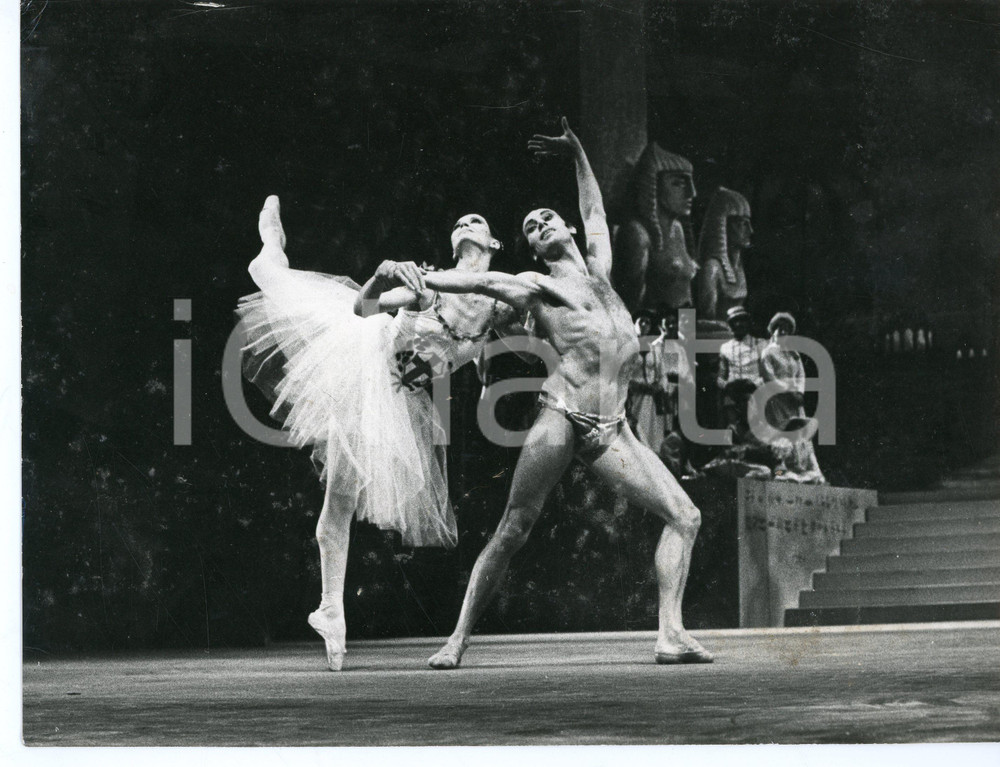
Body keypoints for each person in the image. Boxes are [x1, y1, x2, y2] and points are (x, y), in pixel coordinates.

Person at [399, 119, 711, 668]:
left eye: (546, 218)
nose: (539, 225)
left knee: (685, 517)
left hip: (613, 429)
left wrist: (578, 153)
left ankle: (670, 633)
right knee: (515, 526)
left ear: (564, 229)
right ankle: (456, 640)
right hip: (562, 415)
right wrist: (428, 277)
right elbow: (483, 283)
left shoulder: (602, 275)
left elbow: (593, 215)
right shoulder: (539, 286)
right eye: (530, 227)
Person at [236, 197, 522, 671]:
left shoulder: (498, 307)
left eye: (478, 219)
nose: (465, 222)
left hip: (399, 396)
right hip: (362, 362)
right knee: (268, 275)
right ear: (453, 244)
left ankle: (331, 610)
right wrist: (384, 274)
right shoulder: (427, 284)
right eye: (458, 220)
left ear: (494, 243)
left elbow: (533, 338)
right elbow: (362, 306)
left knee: (341, 497)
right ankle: (272, 244)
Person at [613, 143, 699, 313]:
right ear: (652, 186)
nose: (692, 192)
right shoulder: (637, 234)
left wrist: (689, 332)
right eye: (678, 183)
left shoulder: (677, 229)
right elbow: (631, 305)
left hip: (684, 328)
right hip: (655, 331)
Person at [761, 312, 826, 484]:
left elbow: (801, 375)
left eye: (787, 330)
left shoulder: (793, 354)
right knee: (780, 433)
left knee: (800, 433)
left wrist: (799, 392)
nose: (783, 332)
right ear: (773, 330)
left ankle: (809, 470)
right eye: (779, 328)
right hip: (777, 401)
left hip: (794, 402)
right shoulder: (768, 353)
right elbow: (769, 377)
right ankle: (781, 471)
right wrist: (787, 391)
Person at [696, 187, 753, 321]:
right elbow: (707, 319)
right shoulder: (712, 268)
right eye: (742, 224)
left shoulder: (738, 267)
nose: (750, 230)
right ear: (723, 225)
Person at [716, 305, 767, 441]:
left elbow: (766, 374)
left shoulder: (760, 344)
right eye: (735, 321)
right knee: (734, 435)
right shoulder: (725, 348)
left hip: (755, 395)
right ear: (731, 324)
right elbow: (720, 378)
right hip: (733, 398)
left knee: (756, 437)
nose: (738, 324)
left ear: (748, 322)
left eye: (742, 320)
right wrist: (727, 385)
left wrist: (753, 384)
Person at [627, 309, 668, 456]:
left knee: (652, 435)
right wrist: (633, 385)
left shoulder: (654, 349)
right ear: (634, 324)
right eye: (641, 321)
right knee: (636, 433)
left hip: (650, 399)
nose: (644, 325)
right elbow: (622, 374)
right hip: (634, 397)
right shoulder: (628, 348)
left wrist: (659, 386)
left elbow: (662, 374)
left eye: (647, 322)